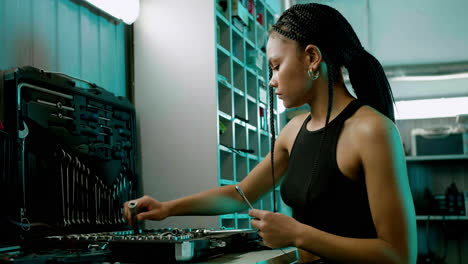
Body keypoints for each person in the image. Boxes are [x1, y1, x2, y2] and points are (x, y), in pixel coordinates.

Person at [124, 3, 417, 264]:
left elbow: (399, 255)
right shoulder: (293, 130)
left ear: (311, 57)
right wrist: (167, 208)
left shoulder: (372, 130)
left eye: (276, 67)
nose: (272, 81)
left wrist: (298, 235)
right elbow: (241, 194)